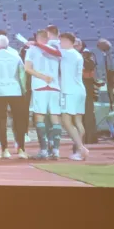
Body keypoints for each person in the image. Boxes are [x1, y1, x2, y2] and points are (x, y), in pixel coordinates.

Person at [0, 34, 29, 159]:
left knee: (1, 120)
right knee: (18, 120)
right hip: (15, 90)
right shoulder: (15, 56)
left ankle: (4, 149)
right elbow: (22, 75)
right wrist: (23, 89)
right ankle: (21, 149)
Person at [25, 29, 62, 160]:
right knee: (55, 117)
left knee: (39, 116)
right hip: (55, 87)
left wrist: (42, 77)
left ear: (37, 37)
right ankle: (56, 150)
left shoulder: (32, 49)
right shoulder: (56, 48)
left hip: (40, 86)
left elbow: (27, 68)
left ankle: (44, 150)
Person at [59, 33, 89, 161]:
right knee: (78, 121)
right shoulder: (76, 54)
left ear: (68, 41)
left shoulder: (68, 53)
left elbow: (51, 50)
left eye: (61, 41)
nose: (60, 44)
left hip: (69, 91)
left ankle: (81, 148)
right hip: (79, 90)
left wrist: (36, 44)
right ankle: (78, 151)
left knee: (66, 121)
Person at [74, 39, 98, 144]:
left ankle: (90, 138)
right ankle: (82, 138)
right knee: (79, 113)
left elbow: (90, 66)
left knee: (88, 112)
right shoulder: (74, 54)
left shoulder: (87, 54)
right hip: (77, 84)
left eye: (75, 45)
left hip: (86, 85)